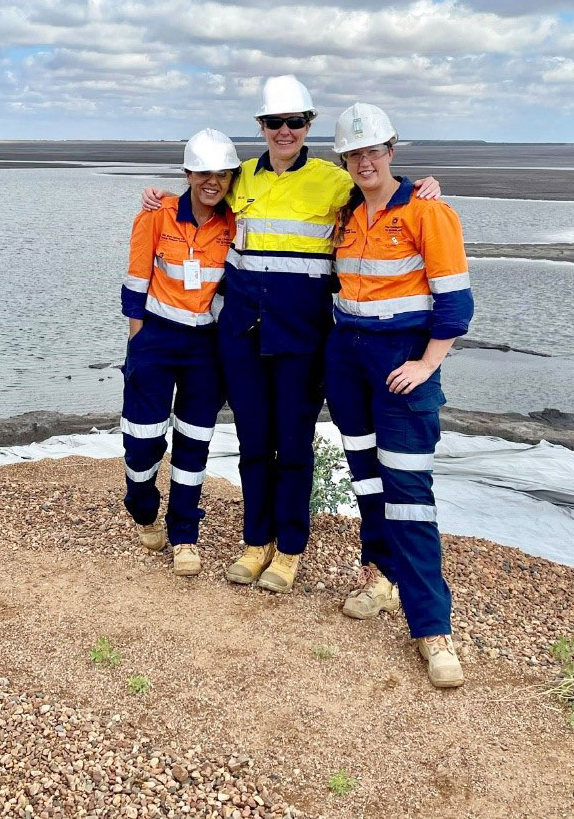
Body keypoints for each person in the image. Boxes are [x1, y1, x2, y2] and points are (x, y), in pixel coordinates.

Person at [141, 77, 442, 593]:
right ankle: (255, 543)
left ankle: (289, 551)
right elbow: (205, 194)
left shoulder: (332, 180)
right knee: (255, 444)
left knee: (295, 446)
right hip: (242, 336)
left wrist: (420, 187)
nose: (285, 131)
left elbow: (379, 186)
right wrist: (163, 197)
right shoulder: (242, 178)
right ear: (261, 126)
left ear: (309, 125)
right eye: (275, 123)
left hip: (302, 339)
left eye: (295, 122)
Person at [325, 102, 474, 689]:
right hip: (348, 358)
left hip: (399, 363)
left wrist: (427, 362)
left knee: (408, 490)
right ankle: (379, 575)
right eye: (354, 154)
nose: (365, 161)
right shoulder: (346, 214)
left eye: (374, 151)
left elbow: (455, 303)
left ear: (392, 151)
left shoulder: (428, 212)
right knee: (365, 475)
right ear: (345, 160)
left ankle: (433, 631)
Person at [121, 128, 239, 576]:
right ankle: (142, 502)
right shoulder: (157, 215)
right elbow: (134, 282)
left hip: (206, 346)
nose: (213, 181)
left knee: (195, 440)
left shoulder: (233, 221)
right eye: (204, 172)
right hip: (155, 338)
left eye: (222, 174)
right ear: (188, 173)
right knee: (143, 437)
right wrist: (138, 340)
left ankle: (184, 533)